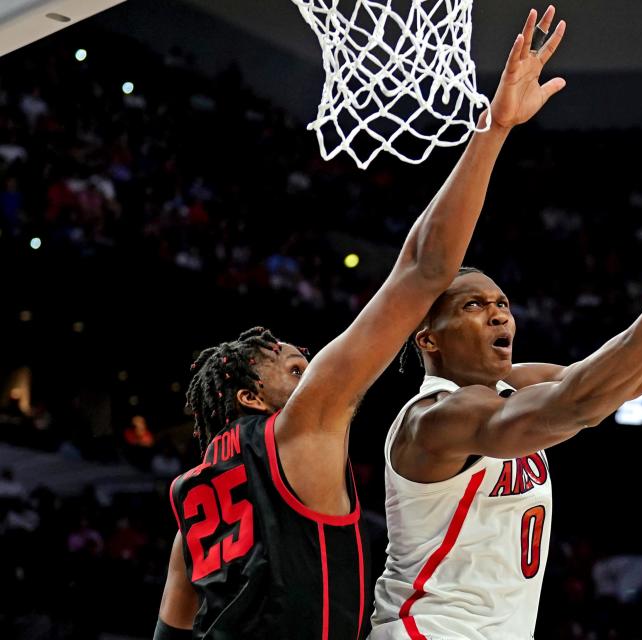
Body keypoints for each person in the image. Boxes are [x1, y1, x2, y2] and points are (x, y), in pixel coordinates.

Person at [154, 7, 568, 639]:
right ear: (250, 397)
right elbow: (425, 269)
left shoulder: (192, 499)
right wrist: (493, 127)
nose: (303, 358)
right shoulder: (303, 421)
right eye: (284, 361)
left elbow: (171, 631)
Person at [371, 199, 642, 638]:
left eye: (502, 302)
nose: (499, 313)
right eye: (473, 305)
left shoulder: (519, 385)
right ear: (429, 339)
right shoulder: (436, 418)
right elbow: (581, 405)